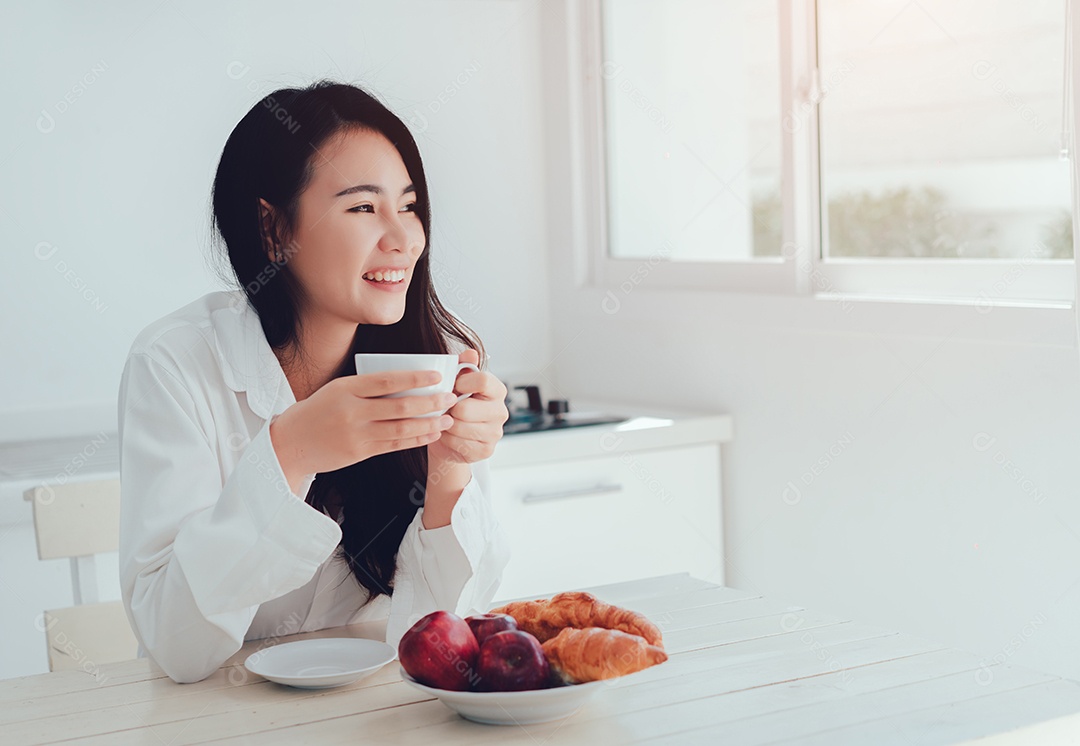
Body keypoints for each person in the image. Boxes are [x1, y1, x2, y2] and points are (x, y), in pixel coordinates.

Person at [116, 80, 512, 684]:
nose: (405, 237)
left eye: (408, 206)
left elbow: (443, 639)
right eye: (362, 207)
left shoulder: (442, 360)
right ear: (274, 228)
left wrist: (450, 471)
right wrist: (292, 452)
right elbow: (176, 646)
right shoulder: (176, 364)